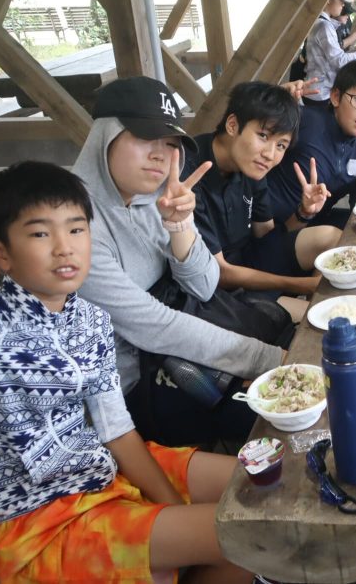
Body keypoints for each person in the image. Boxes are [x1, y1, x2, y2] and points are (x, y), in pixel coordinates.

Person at [0, 162, 250, 583]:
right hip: (41, 521)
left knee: (261, 488)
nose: (65, 248)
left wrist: (170, 510)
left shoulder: (90, 319)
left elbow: (116, 428)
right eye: (40, 234)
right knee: (250, 533)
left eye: (77, 229)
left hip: (103, 469)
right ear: (0, 252)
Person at [73, 76, 284, 447]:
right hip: (133, 387)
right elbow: (155, 326)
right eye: (145, 138)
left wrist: (180, 225)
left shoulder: (157, 197)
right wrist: (269, 359)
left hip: (183, 345)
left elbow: (204, 285)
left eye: (170, 144)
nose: (161, 155)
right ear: (105, 136)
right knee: (275, 408)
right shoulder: (72, 224)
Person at [183, 81, 341, 320]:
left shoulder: (252, 166)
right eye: (263, 136)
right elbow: (219, 273)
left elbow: (267, 237)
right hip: (216, 288)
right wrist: (304, 286)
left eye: (281, 145)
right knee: (328, 315)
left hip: (249, 262)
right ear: (233, 125)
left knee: (331, 237)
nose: (270, 154)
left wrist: (303, 213)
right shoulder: (190, 171)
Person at [268, 59, 356, 232]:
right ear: (336, 97)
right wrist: (276, 100)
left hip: (317, 224)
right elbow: (250, 125)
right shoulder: (305, 120)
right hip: (273, 227)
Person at [302, 0, 356, 106]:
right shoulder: (324, 26)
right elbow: (338, 61)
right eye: (341, 0)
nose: (343, 4)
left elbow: (334, 57)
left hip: (318, 92)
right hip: (320, 94)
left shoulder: (321, 23)